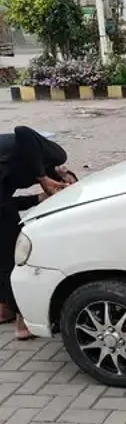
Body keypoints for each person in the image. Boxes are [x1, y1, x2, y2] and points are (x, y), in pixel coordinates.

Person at [0, 126, 73, 339]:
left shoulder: (21, 160)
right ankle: (23, 318)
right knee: (14, 256)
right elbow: (22, 130)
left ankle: (5, 308)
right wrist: (43, 178)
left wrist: (40, 197)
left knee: (4, 254)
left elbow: (6, 203)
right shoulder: (51, 153)